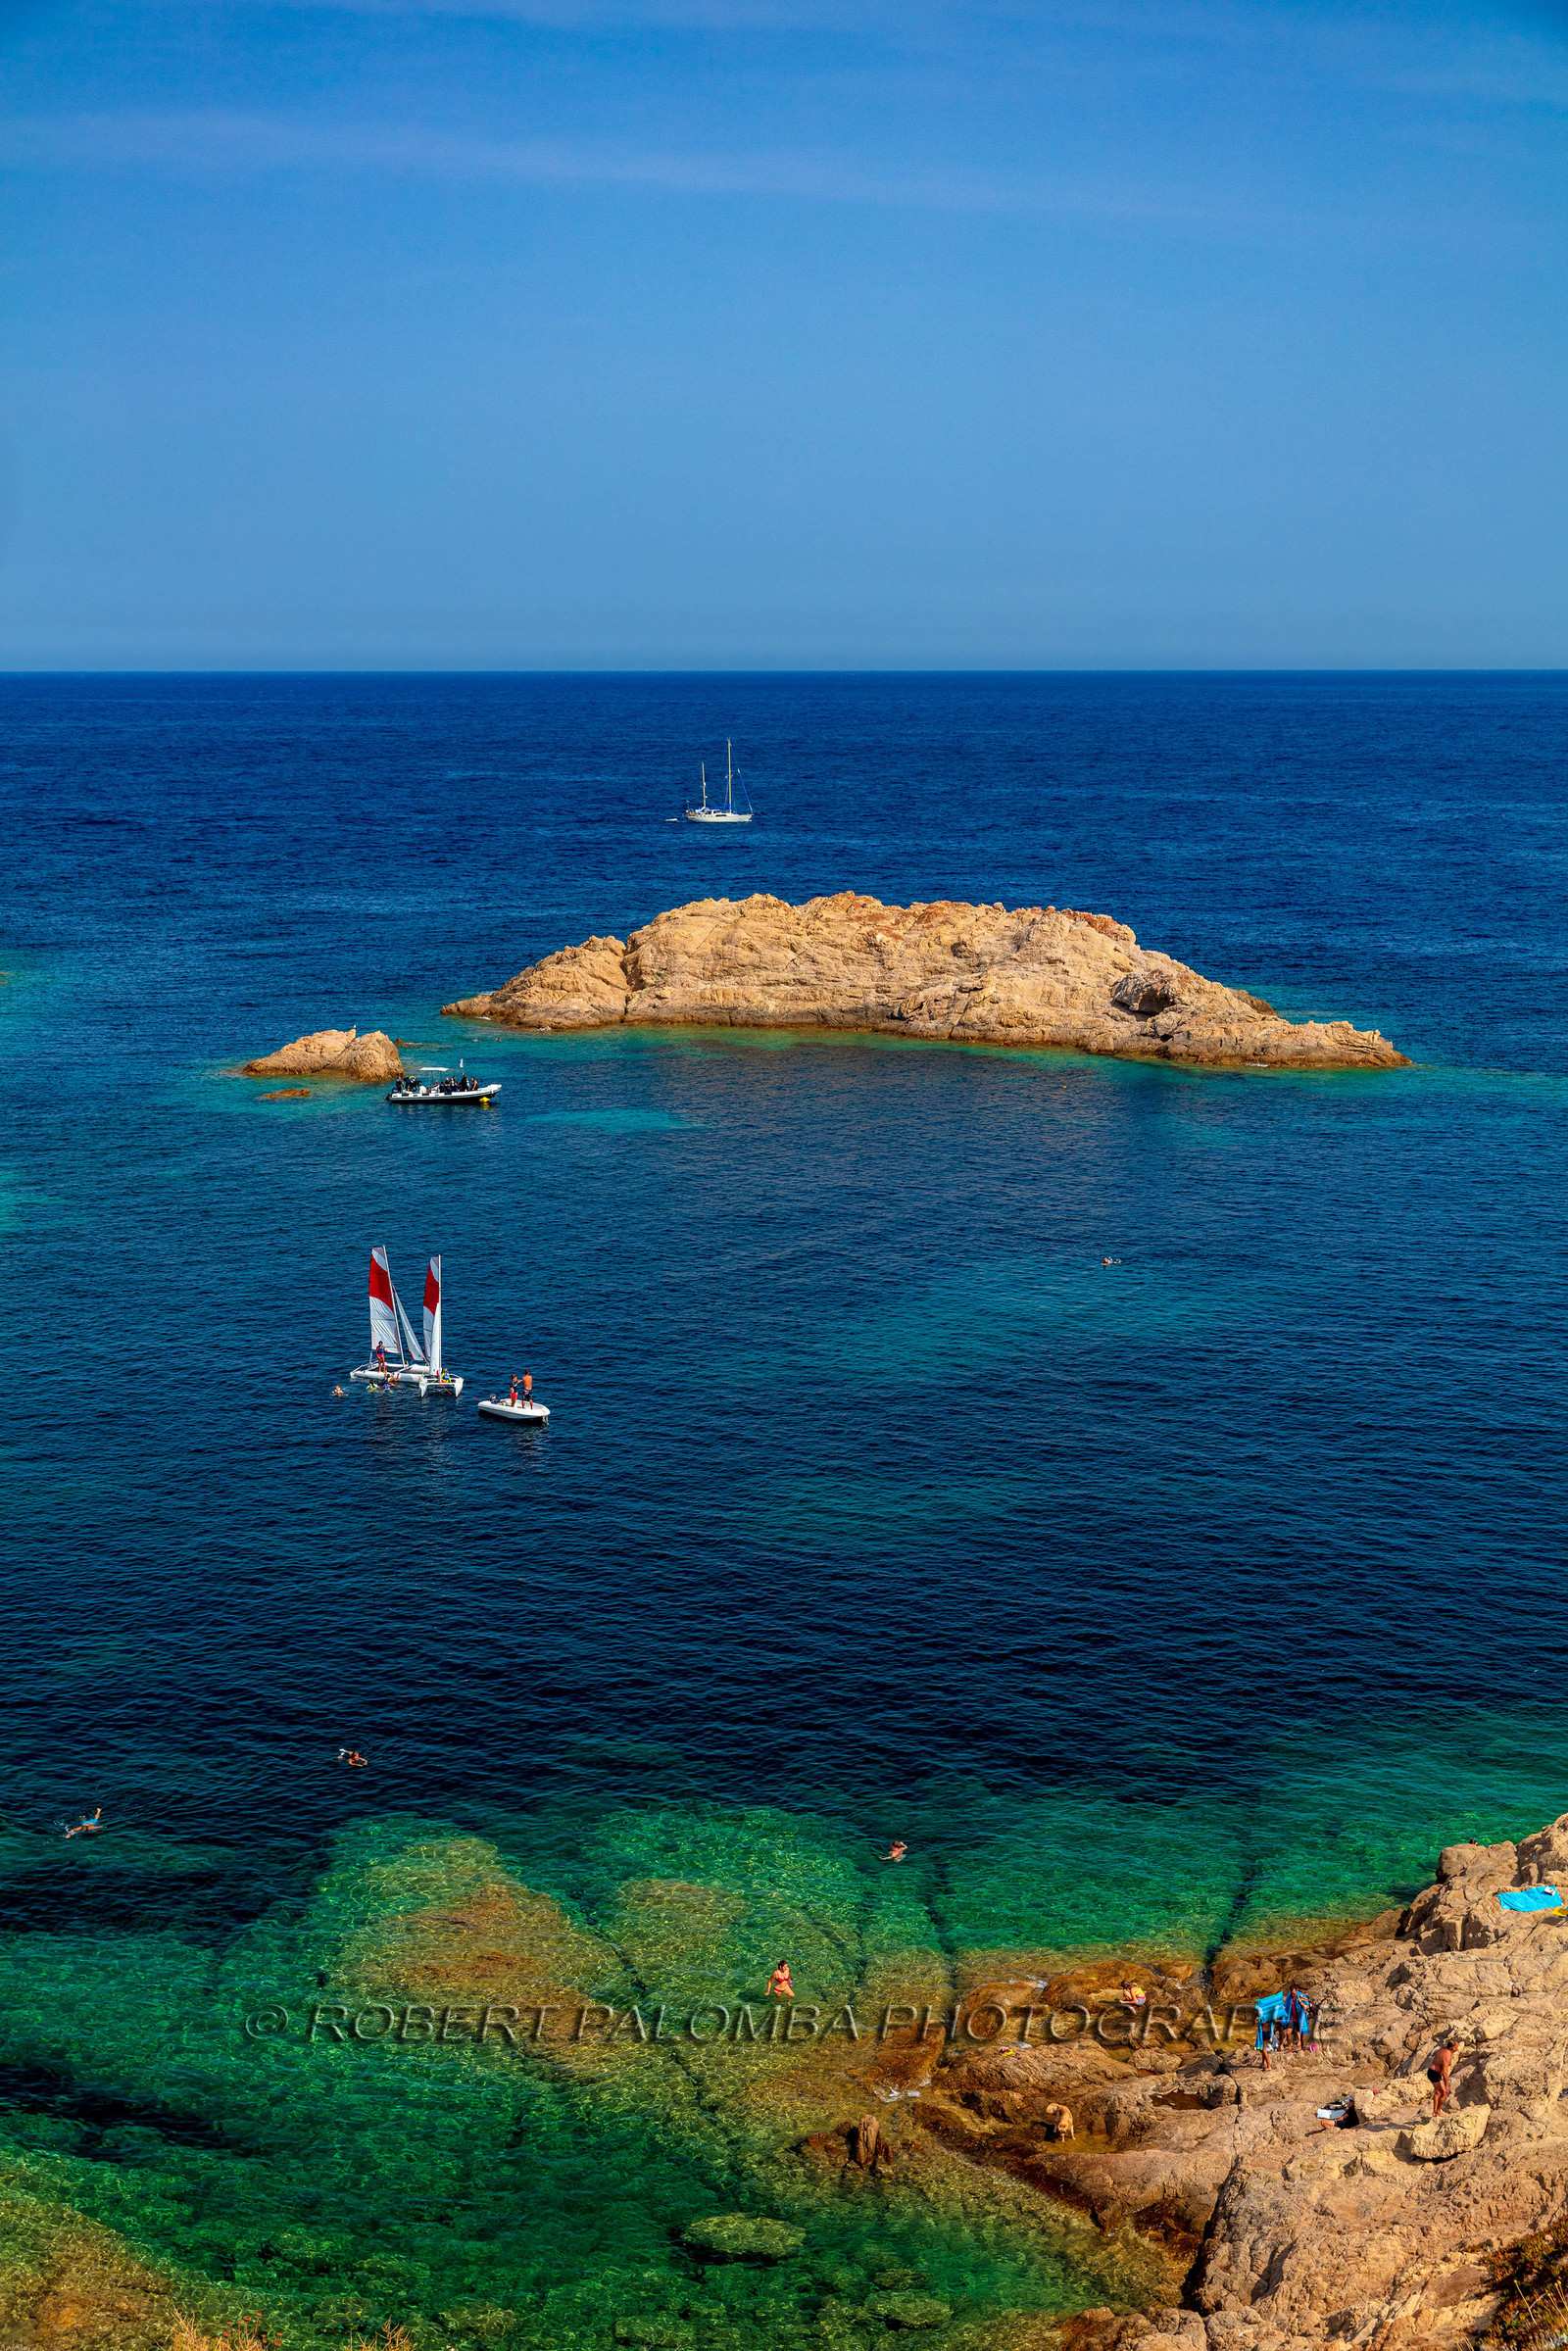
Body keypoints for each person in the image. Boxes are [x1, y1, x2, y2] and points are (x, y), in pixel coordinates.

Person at [1429, 2035, 1459, 2117]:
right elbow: (1445, 2072)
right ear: (1453, 2048)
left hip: (1432, 2072)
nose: (1457, 2048)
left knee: (1438, 2092)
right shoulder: (1447, 2056)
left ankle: (1434, 2112)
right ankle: (1438, 2111)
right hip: (1434, 2074)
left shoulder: (1443, 2049)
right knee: (1444, 2093)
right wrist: (1447, 2085)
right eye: (1457, 2046)